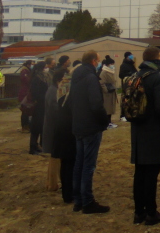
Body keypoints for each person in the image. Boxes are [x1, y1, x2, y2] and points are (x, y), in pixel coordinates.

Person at [132, 46, 160, 225]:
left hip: (138, 130)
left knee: (139, 173)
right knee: (151, 173)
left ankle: (138, 212)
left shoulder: (135, 77)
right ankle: (151, 212)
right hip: (153, 130)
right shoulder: (156, 78)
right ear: (156, 59)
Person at [70, 50, 110, 213]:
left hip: (78, 124)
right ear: (94, 61)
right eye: (98, 61)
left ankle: (78, 200)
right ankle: (87, 201)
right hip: (90, 126)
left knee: (79, 163)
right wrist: (104, 120)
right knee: (88, 165)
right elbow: (95, 104)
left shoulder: (76, 77)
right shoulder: (91, 78)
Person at [51, 67, 76, 204]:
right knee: (69, 162)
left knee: (65, 163)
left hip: (61, 128)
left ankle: (67, 193)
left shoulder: (61, 88)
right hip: (68, 129)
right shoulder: (70, 88)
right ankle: (69, 193)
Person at [42, 67, 62, 191]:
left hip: (53, 127)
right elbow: (55, 109)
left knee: (55, 157)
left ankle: (51, 182)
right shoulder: (53, 91)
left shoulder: (53, 89)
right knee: (55, 157)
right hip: (54, 128)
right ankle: (53, 183)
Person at [29, 61, 48, 154]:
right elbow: (35, 93)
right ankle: (32, 147)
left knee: (39, 126)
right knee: (36, 126)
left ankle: (36, 145)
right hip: (38, 105)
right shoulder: (37, 78)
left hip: (42, 104)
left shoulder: (40, 77)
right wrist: (44, 97)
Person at [99, 56, 118, 129]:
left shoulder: (110, 72)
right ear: (108, 64)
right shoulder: (104, 72)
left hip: (111, 92)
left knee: (110, 109)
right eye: (112, 64)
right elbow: (102, 83)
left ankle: (109, 122)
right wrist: (106, 90)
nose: (113, 66)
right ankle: (107, 123)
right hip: (107, 94)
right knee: (107, 109)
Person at [18, 60, 33, 132]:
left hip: (26, 92)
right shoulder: (25, 71)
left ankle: (26, 126)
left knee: (27, 110)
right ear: (28, 64)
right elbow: (26, 80)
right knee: (25, 110)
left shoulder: (27, 71)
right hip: (25, 93)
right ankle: (24, 126)